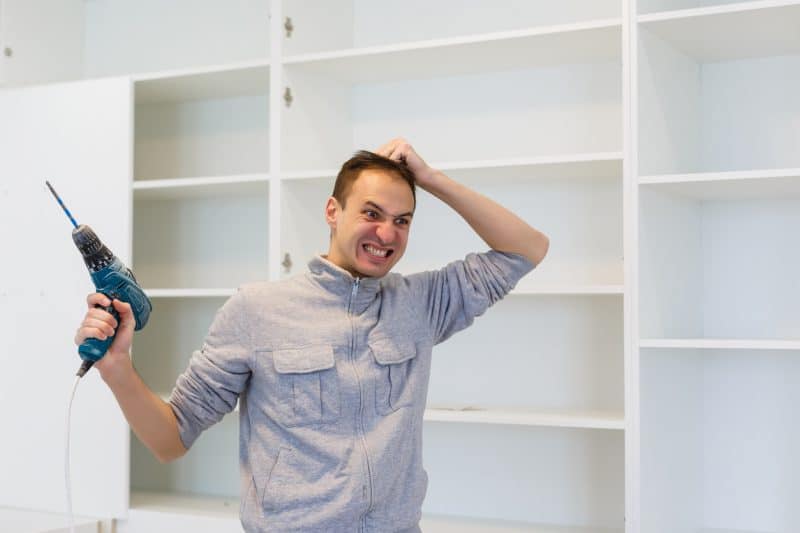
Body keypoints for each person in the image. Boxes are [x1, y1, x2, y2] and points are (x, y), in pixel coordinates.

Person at [75, 138, 549, 532]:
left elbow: (526, 249)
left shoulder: (420, 303)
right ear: (332, 211)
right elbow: (170, 438)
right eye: (371, 212)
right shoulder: (256, 310)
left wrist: (431, 179)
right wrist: (116, 367)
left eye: (402, 221)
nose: (387, 233)